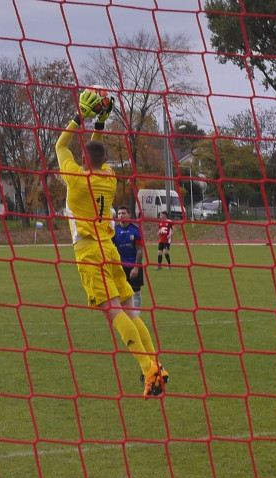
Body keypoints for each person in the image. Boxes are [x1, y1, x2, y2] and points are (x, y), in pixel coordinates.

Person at [55, 90, 168, 397]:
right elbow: (94, 150)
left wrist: (81, 115)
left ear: (81, 161)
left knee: (114, 312)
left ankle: (148, 372)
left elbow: (60, 144)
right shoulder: (109, 177)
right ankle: (157, 365)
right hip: (111, 249)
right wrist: (100, 122)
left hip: (90, 251)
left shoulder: (76, 180)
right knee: (131, 311)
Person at [111, 207, 145, 309]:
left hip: (133, 266)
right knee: (120, 294)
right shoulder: (114, 231)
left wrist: (136, 267)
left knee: (136, 293)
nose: (121, 215)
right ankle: (124, 315)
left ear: (129, 215)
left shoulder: (136, 230)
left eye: (123, 213)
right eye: (119, 213)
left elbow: (139, 250)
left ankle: (136, 316)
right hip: (119, 268)